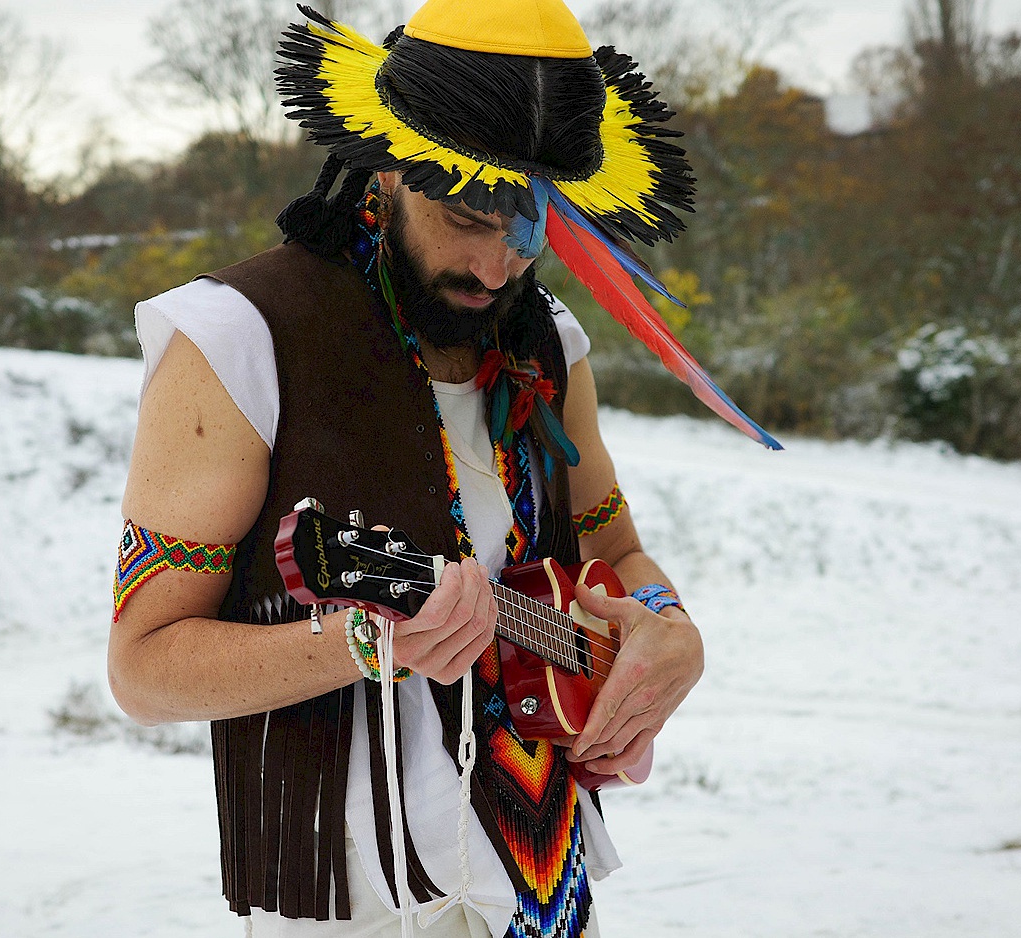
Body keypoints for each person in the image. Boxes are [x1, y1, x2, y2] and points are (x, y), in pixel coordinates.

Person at [107, 2, 777, 936]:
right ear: (387, 164)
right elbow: (143, 667)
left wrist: (671, 630)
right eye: (469, 215)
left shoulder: (552, 347)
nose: (499, 265)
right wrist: (358, 646)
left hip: (543, 882)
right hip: (349, 903)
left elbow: (616, 552)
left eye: (534, 229)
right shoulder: (236, 340)